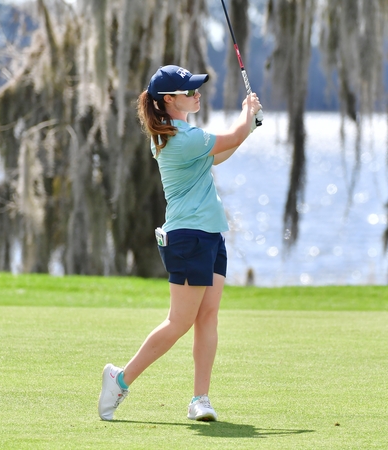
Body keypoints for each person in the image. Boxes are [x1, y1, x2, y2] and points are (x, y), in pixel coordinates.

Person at [98, 64, 261, 422]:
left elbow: (221, 152)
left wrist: (246, 125)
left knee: (208, 317)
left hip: (210, 235)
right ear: (169, 99)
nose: (197, 93)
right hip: (188, 238)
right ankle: (119, 379)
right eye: (189, 91)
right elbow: (231, 138)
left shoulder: (183, 134)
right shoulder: (180, 138)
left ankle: (200, 399)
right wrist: (247, 114)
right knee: (178, 323)